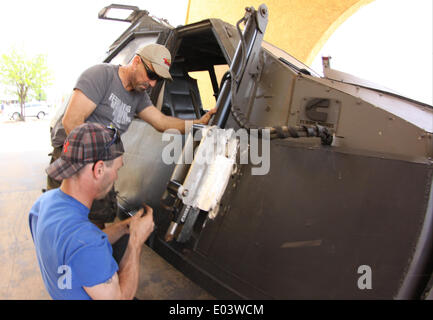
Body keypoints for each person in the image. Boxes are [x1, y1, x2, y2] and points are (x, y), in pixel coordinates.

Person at [48, 43, 216, 228]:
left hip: (101, 162)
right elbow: (71, 121)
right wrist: (98, 163)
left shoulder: (139, 96)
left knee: (96, 223)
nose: (152, 83)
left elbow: (162, 122)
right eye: (151, 75)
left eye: (158, 79)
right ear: (136, 61)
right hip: (75, 155)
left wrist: (199, 123)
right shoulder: (101, 76)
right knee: (66, 224)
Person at [29, 122, 154, 300]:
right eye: (117, 169)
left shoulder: (42, 204)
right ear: (99, 169)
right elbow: (121, 298)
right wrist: (136, 241)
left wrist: (126, 227)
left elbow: (79, 247)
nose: (117, 176)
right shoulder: (86, 242)